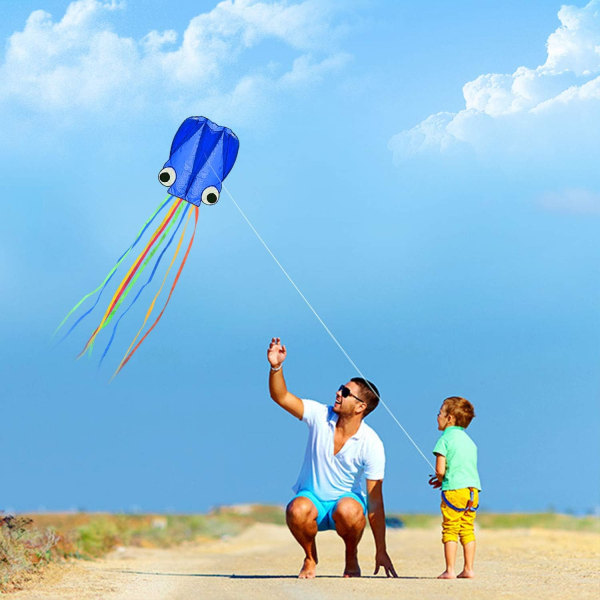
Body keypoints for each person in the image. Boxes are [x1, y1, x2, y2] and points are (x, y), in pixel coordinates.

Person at [267, 337, 398, 579]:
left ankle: (351, 557)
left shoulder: (372, 443)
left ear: (360, 407)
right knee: (297, 509)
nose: (338, 392)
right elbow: (281, 397)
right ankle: (309, 557)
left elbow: (375, 502)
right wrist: (276, 367)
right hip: (312, 501)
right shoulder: (320, 415)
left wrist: (381, 550)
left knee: (349, 509)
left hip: (345, 505)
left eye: (346, 392)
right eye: (341, 387)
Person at [428, 396, 481, 579]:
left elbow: (440, 469)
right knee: (467, 528)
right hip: (473, 491)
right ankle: (469, 568)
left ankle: (450, 570)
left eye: (440, 413)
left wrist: (440, 478)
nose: (437, 416)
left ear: (449, 418)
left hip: (454, 491)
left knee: (450, 528)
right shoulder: (470, 442)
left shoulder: (445, 439)